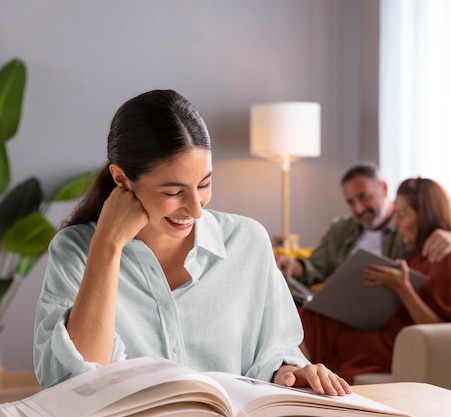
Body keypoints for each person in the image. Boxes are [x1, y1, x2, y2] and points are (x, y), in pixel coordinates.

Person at [33, 89, 350, 396]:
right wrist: (107, 246)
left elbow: (275, 355)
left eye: (205, 184)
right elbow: (76, 379)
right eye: (173, 192)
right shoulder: (75, 249)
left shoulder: (248, 241)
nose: (197, 209)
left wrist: (288, 373)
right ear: (121, 179)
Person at [299, 176, 451, 383]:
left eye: (401, 215)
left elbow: (441, 331)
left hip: (406, 342)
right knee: (314, 316)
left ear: (424, 215)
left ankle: (299, 384)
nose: (396, 224)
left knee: (329, 331)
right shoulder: (416, 254)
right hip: (386, 329)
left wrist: (404, 289)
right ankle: (295, 381)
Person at [276, 162, 451, 288]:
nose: (358, 209)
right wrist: (294, 266)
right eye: (351, 202)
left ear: (384, 189)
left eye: (364, 197)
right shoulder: (341, 229)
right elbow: (316, 266)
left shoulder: (411, 227)